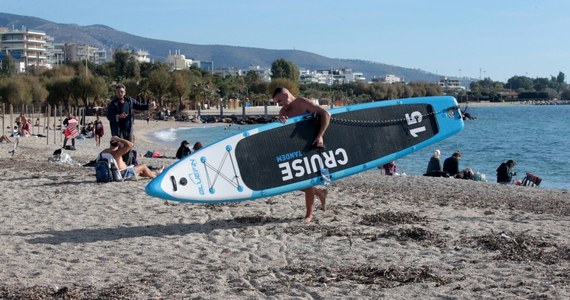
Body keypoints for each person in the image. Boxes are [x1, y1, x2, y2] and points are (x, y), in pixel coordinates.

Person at [272, 86, 331, 222]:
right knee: (294, 182)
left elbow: (325, 114)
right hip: (297, 150)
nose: (278, 105)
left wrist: (320, 136)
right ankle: (320, 193)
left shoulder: (302, 103)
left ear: (287, 96)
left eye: (279, 101)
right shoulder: (282, 112)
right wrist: (281, 124)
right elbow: (284, 134)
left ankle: (309, 215)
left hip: (314, 145)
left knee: (308, 180)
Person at [106, 83, 156, 164]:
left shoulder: (129, 100)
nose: (120, 93)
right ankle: (120, 165)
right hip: (118, 130)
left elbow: (140, 106)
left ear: (124, 92)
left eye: (121, 92)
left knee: (129, 147)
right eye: (118, 92)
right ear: (116, 93)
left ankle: (128, 165)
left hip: (129, 129)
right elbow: (108, 116)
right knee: (120, 148)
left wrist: (149, 105)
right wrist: (118, 116)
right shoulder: (113, 103)